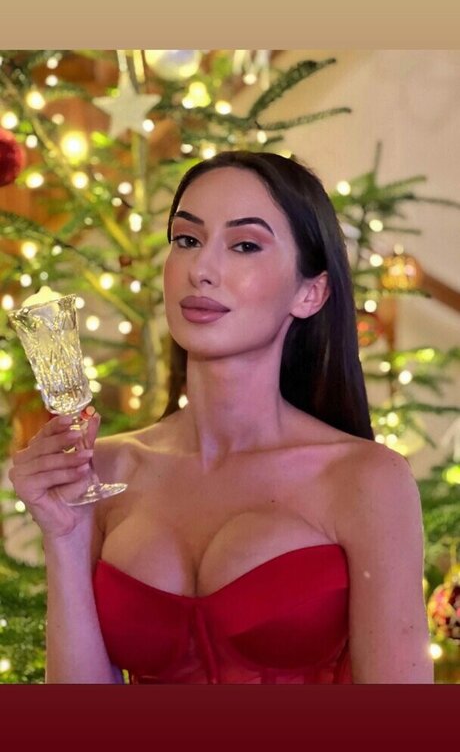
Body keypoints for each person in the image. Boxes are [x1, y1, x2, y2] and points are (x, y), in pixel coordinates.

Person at [8, 150, 434, 684]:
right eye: (187, 240)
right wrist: (65, 539)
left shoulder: (366, 479)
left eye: (245, 245)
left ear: (310, 292)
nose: (201, 270)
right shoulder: (107, 469)